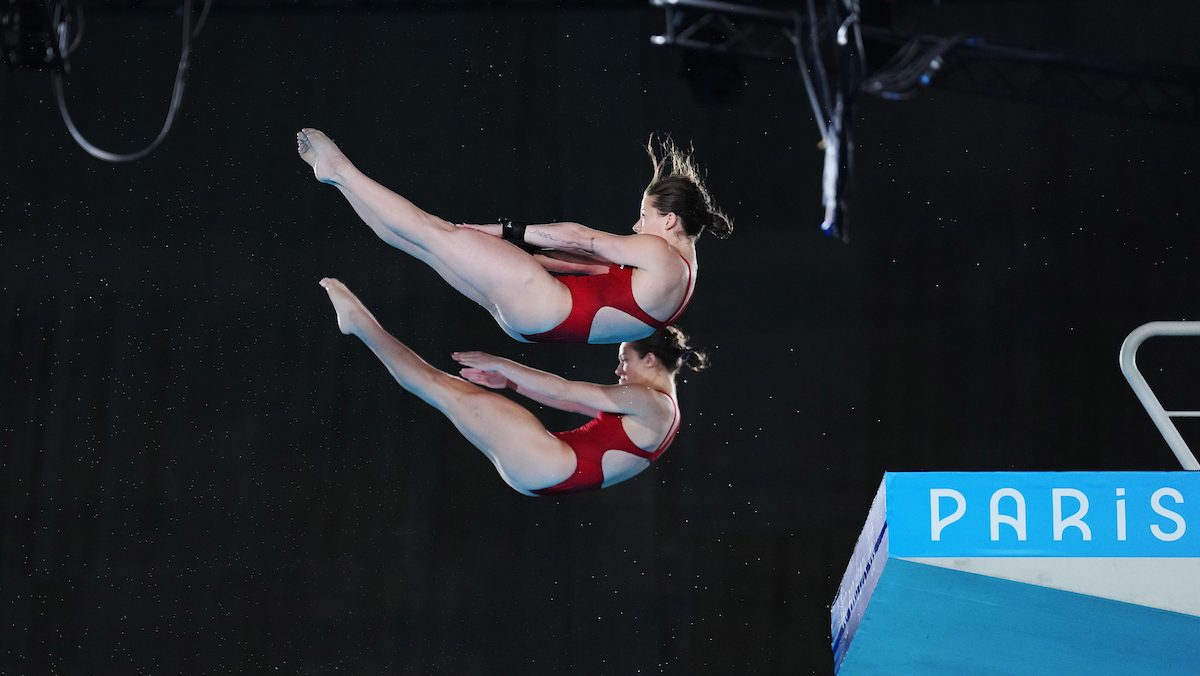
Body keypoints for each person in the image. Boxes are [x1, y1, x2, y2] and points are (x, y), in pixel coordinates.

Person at [298, 129, 732, 344]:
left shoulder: (660, 253)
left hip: (543, 301)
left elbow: (582, 238)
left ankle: (339, 171)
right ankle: (338, 182)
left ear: (671, 220)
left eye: (643, 216)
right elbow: (583, 268)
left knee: (432, 232)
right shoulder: (683, 282)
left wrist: (501, 230)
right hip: (532, 324)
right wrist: (509, 251)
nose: (637, 226)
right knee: (423, 245)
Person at [319, 277, 709, 496]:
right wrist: (511, 384)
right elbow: (574, 406)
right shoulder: (661, 413)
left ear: (651, 360)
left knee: (440, 388)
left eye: (624, 359)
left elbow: (566, 391)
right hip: (542, 473)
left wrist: (503, 362)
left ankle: (358, 324)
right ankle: (359, 325)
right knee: (443, 391)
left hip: (547, 461)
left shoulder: (650, 401)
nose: (619, 368)